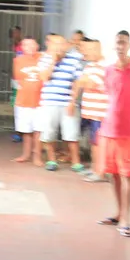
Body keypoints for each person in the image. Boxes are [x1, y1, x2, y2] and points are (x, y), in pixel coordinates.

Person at [96, 30, 130, 237]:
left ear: (129, 45)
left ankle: (126, 220)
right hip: (110, 129)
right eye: (118, 42)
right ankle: (118, 213)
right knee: (114, 173)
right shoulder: (108, 70)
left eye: (124, 42)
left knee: (127, 174)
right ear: (114, 45)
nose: (120, 46)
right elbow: (110, 98)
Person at [37, 33, 84, 172]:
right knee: (49, 133)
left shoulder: (75, 59)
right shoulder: (44, 59)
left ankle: (76, 162)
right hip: (49, 102)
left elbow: (77, 82)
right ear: (50, 45)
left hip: (68, 102)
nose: (59, 47)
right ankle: (51, 160)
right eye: (56, 44)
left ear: (66, 45)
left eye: (62, 44)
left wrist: (72, 101)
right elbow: (44, 77)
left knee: (72, 134)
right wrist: (53, 61)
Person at [70, 38, 109, 182]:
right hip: (91, 111)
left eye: (86, 50)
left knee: (99, 143)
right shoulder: (90, 65)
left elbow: (89, 83)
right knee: (94, 142)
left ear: (96, 50)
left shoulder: (104, 67)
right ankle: (94, 168)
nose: (84, 53)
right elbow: (82, 81)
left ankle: (100, 172)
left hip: (100, 113)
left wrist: (81, 81)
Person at [12, 37, 44, 165]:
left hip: (40, 101)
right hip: (23, 100)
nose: (30, 47)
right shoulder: (18, 60)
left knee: (38, 130)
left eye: (32, 44)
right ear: (22, 47)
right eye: (26, 45)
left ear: (37, 45)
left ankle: (37, 156)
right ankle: (25, 154)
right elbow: (17, 78)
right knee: (26, 131)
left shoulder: (43, 58)